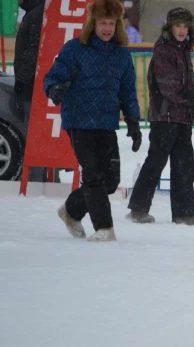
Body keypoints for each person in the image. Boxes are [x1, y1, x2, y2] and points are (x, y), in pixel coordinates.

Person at [44, 0, 142, 242]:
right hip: (78, 120)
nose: (107, 28)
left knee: (109, 181)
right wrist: (54, 89)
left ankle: (71, 210)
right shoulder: (75, 49)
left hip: (106, 122)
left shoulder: (121, 55)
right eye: (102, 23)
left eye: (111, 23)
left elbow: (128, 91)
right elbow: (53, 76)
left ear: (117, 25)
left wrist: (133, 122)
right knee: (93, 175)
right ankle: (104, 228)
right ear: (93, 24)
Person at [126, 8, 194, 226]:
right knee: (156, 162)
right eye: (178, 26)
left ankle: (185, 213)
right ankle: (138, 209)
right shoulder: (164, 50)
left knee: (184, 165)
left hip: (181, 117)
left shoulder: (183, 50)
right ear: (169, 27)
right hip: (164, 117)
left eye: (185, 26)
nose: (182, 30)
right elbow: (169, 87)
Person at [14, 0, 53, 183]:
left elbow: (33, 51)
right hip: (33, 86)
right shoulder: (36, 11)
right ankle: (41, 177)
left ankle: (37, 180)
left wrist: (23, 78)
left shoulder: (36, 14)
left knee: (34, 137)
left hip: (31, 88)